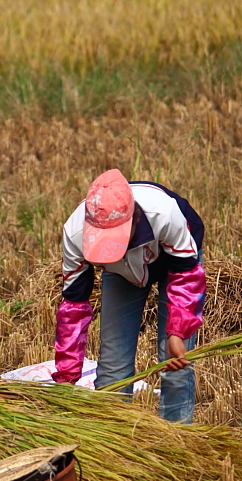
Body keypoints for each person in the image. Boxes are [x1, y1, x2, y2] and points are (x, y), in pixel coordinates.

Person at [53, 169, 206, 423]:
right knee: (113, 370)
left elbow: (186, 276)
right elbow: (74, 307)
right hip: (121, 272)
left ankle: (176, 441)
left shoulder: (164, 213)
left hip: (175, 266)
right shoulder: (74, 233)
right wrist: (67, 377)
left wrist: (177, 332)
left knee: (173, 364)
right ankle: (116, 444)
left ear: (134, 217)